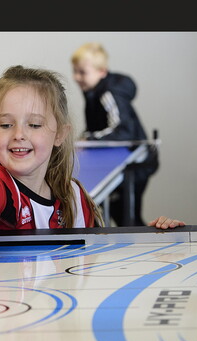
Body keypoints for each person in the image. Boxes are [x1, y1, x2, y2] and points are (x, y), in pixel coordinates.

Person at [0, 65, 184, 261]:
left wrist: (154, 239)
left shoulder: (75, 198)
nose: (19, 134)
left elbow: (96, 258)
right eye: (6, 124)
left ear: (60, 134)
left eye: (34, 124)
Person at [70, 42, 159, 227]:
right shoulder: (92, 91)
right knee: (112, 216)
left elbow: (122, 130)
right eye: (75, 71)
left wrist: (91, 139)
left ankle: (142, 252)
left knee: (129, 221)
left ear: (102, 71)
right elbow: (97, 127)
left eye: (82, 72)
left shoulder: (108, 93)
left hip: (135, 164)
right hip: (116, 163)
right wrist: (86, 137)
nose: (76, 77)